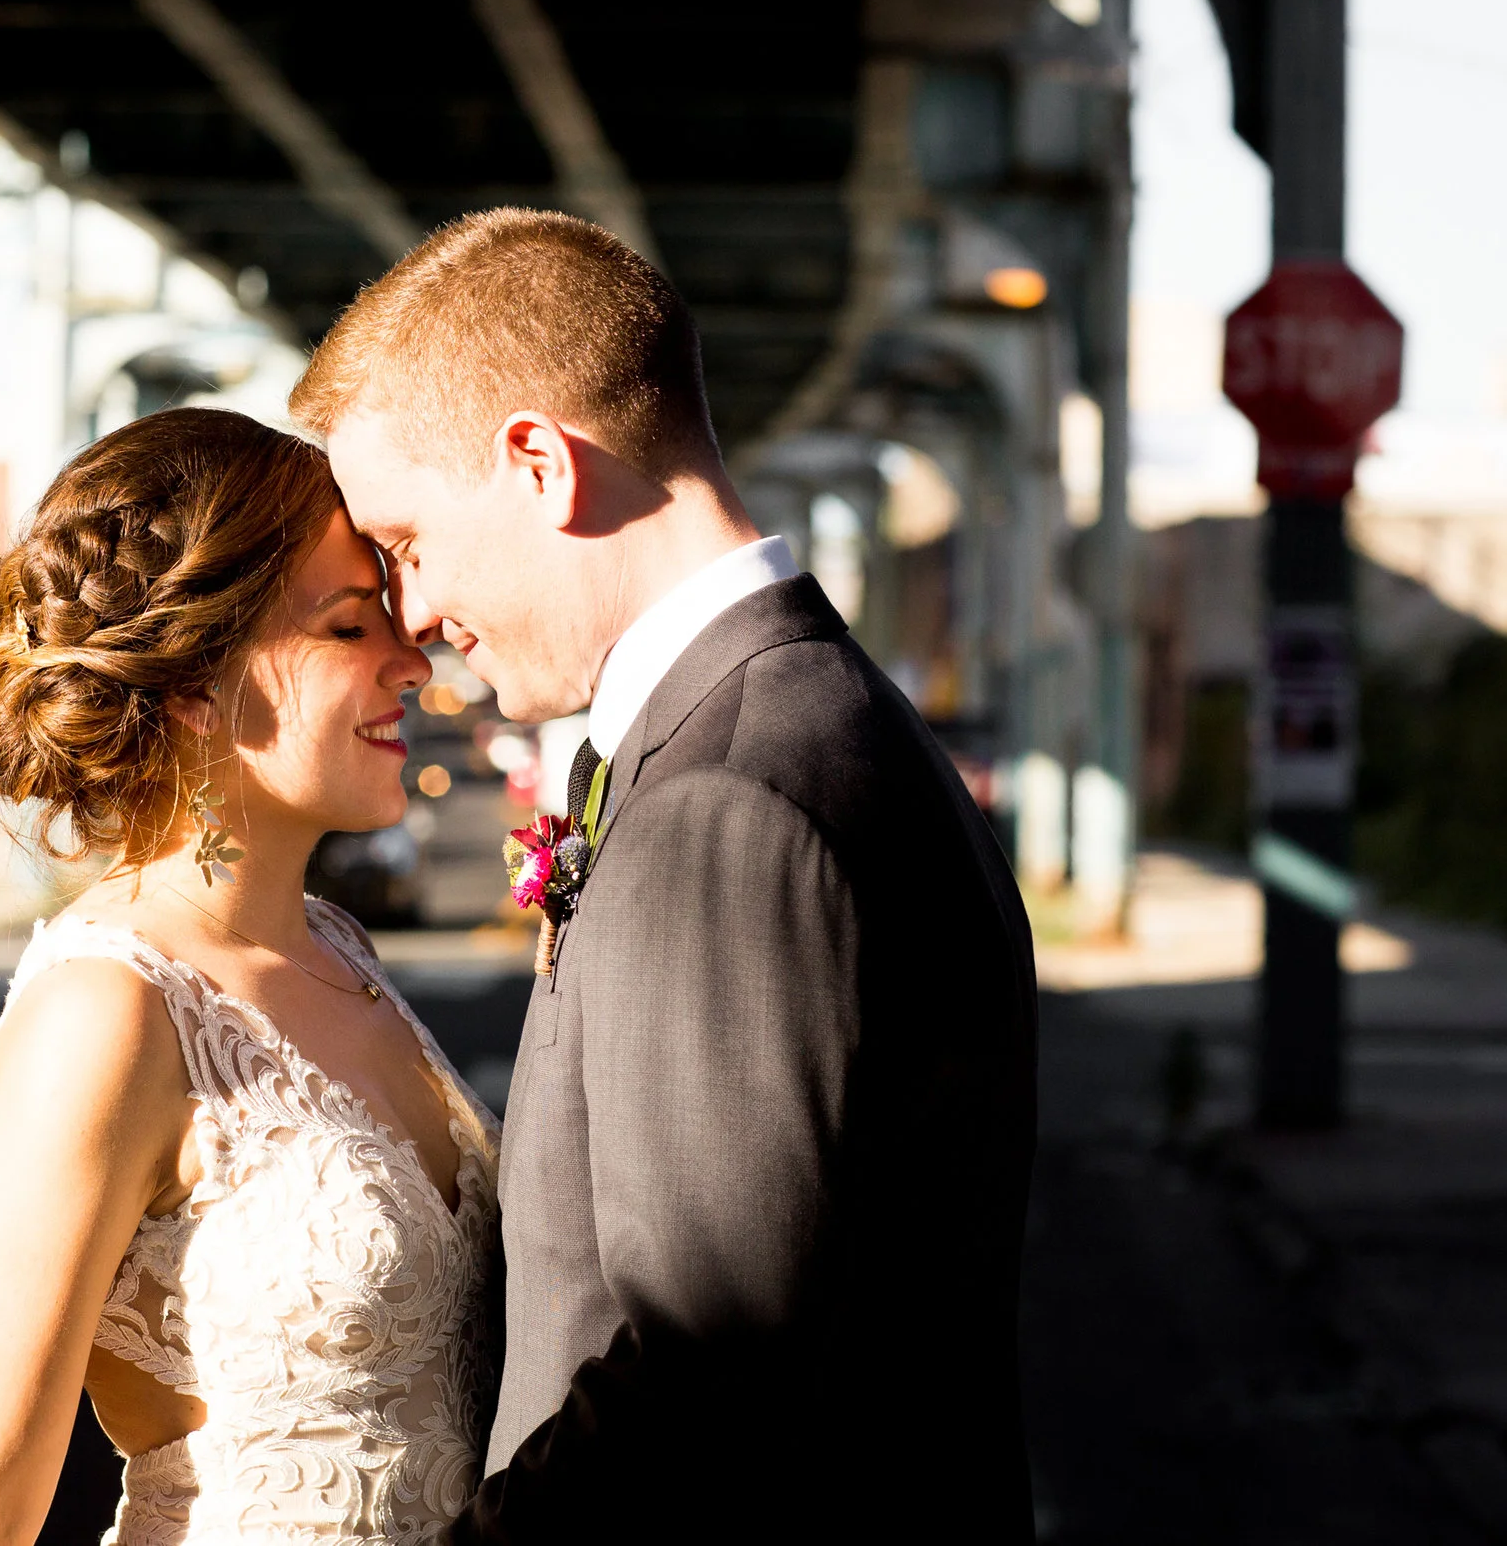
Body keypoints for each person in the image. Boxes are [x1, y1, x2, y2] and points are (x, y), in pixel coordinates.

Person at [292, 208, 1039, 1540]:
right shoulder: (819, 718)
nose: (414, 613)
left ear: (539, 464)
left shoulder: (724, 796)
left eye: (407, 543)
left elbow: (700, 1373)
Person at [0, 408, 503, 1546]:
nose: (414, 660)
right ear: (195, 681)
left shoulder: (339, 947)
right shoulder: (104, 1013)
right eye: (349, 624)